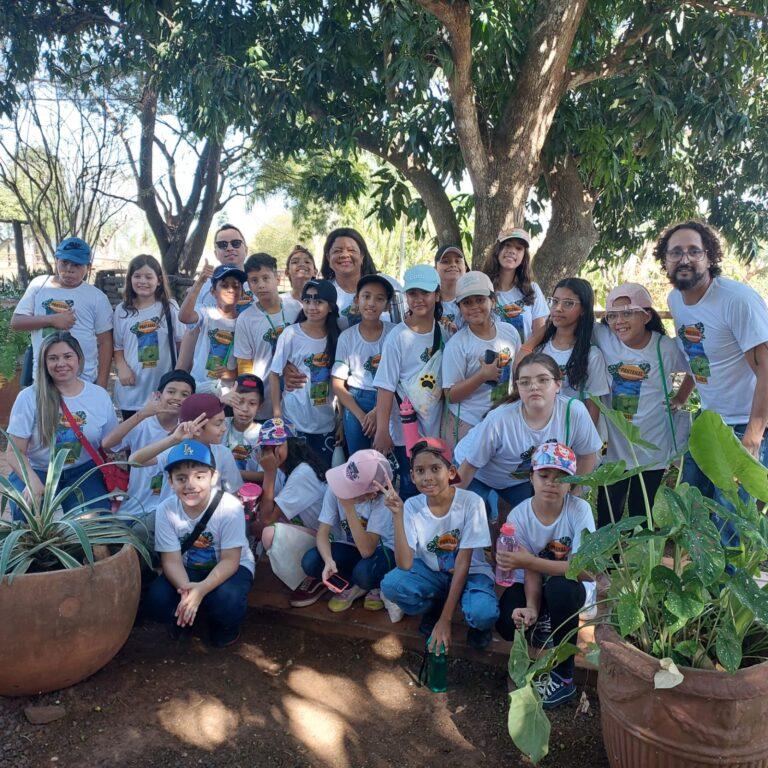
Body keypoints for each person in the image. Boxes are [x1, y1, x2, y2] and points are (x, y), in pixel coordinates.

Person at [656, 220, 768, 542]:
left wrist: (753, 438)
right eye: (676, 252)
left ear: (709, 257)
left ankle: (727, 578)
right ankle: (697, 573)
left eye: (694, 251)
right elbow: (698, 353)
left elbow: (766, 367)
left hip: (746, 424)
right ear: (665, 259)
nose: (685, 259)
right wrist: (681, 396)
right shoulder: (676, 300)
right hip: (710, 421)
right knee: (690, 509)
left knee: (728, 523)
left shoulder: (736, 300)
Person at [495, 442, 595, 709]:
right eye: (544, 475)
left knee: (561, 588)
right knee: (506, 622)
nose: (552, 483)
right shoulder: (519, 515)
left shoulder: (579, 510)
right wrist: (531, 607)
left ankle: (564, 676)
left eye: (561, 478)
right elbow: (529, 571)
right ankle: (543, 617)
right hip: (536, 583)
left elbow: (583, 569)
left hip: (570, 586)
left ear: (571, 484)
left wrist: (529, 560)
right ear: (531, 477)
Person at [380, 438, 499, 652]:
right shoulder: (412, 506)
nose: (428, 477)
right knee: (391, 585)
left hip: (471, 572)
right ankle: (434, 606)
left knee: (483, 613)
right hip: (433, 573)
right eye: (420, 471)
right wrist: (398, 515)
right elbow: (405, 564)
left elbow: (463, 564)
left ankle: (476, 625)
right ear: (412, 477)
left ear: (451, 472)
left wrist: (446, 621)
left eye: (435, 469)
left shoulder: (471, 502)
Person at [593, 283, 693, 527]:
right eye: (612, 315)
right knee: (608, 512)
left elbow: (694, 368)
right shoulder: (604, 337)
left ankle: (639, 550)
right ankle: (613, 552)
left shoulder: (664, 347)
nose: (619, 322)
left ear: (646, 316)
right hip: (614, 446)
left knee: (643, 510)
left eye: (628, 313)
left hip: (652, 446)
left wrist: (680, 398)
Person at [454, 353, 602, 512]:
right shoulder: (500, 419)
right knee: (468, 514)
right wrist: (450, 507)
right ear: (518, 387)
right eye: (525, 382)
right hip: (476, 473)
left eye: (543, 380)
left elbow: (587, 455)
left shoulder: (574, 411)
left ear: (558, 384)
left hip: (519, 480)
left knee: (532, 519)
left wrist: (573, 496)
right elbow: (469, 466)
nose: (534, 387)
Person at [145, 439, 255, 647]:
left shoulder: (230, 507)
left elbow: (230, 561)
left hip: (230, 567)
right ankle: (187, 616)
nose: (190, 485)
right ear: (170, 481)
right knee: (157, 599)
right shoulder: (166, 509)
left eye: (199, 476)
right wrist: (187, 593)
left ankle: (225, 626)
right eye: (181, 478)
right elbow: (171, 561)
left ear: (214, 477)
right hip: (187, 568)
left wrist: (201, 590)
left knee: (227, 600)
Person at [5, 332, 116, 515]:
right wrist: (32, 481)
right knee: (25, 512)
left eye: (67, 356)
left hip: (83, 472)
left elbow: (110, 444)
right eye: (53, 358)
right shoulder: (29, 397)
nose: (61, 363)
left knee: (95, 523)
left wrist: (142, 417)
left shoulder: (98, 396)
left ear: (79, 359)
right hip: (39, 469)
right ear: (44, 362)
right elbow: (13, 452)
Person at [373, 265, 445, 499]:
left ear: (437, 294)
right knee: (410, 486)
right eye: (412, 293)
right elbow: (385, 386)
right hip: (406, 431)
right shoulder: (397, 338)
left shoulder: (444, 333)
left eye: (425, 292)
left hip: (435, 428)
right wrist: (382, 431)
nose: (418, 299)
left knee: (435, 488)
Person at [102, 370, 196, 543]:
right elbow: (107, 444)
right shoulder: (144, 423)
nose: (177, 398)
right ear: (158, 395)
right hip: (133, 507)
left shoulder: (189, 431)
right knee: (106, 541)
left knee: (137, 538)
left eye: (185, 395)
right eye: (171, 391)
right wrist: (143, 413)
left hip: (165, 510)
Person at [301, 450, 397, 614]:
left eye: (352, 487)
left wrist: (349, 507)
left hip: (382, 552)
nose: (344, 488)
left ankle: (372, 584)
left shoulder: (383, 501)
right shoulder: (336, 487)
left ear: (372, 494)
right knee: (310, 561)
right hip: (352, 548)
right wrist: (328, 560)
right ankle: (356, 585)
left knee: (364, 573)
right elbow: (323, 533)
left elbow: (367, 551)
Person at [11, 237, 113, 387]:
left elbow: (106, 342)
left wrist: (102, 385)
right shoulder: (39, 285)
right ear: (56, 261)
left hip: (83, 380)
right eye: (64, 262)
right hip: (45, 381)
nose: (69, 269)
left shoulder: (97, 297)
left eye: (77, 264)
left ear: (88, 267)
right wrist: (52, 320)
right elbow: (16, 322)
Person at [442, 271, 522, 448]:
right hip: (468, 423)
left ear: (492, 301)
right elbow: (450, 395)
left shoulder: (510, 332)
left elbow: (517, 373)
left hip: (503, 418)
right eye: (467, 302)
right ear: (459, 307)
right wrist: (482, 376)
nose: (474, 307)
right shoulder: (457, 345)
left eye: (480, 300)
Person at [255, 419, 329, 607]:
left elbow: (267, 520)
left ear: (292, 443)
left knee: (269, 533)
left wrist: (269, 473)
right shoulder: (284, 468)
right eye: (266, 448)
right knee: (254, 525)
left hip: (329, 540)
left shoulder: (302, 473)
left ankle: (310, 578)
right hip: (314, 532)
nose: (272, 453)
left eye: (277, 446)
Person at [269, 279, 339, 468]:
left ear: (330, 307)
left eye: (319, 302)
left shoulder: (337, 337)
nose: (312, 307)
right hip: (293, 420)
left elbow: (340, 383)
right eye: (307, 301)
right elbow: (274, 374)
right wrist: (277, 414)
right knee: (293, 475)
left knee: (322, 476)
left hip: (325, 423)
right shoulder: (291, 334)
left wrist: (341, 420)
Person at [129, 393, 244, 503]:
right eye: (218, 424)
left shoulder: (223, 453)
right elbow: (134, 461)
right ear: (198, 427)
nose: (224, 428)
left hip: (208, 515)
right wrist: (173, 439)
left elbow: (233, 493)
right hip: (172, 515)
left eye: (224, 422)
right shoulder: (176, 451)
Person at [113, 254, 186, 419]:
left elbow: (182, 344)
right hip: (132, 393)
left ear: (159, 280)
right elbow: (118, 347)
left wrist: (179, 377)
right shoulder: (122, 311)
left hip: (163, 391)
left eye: (148, 277)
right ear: (130, 279)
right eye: (137, 276)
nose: (142, 281)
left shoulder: (169, 308)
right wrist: (122, 368)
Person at [332, 274, 395, 456]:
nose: (371, 303)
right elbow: (338, 384)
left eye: (379, 299)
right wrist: (361, 416)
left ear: (387, 305)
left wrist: (378, 411)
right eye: (366, 296)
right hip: (355, 402)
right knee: (359, 459)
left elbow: (399, 378)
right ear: (356, 300)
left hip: (388, 400)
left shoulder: (394, 334)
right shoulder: (347, 337)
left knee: (386, 458)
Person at [234, 253, 302, 420]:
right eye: (254, 280)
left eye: (266, 278)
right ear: (249, 285)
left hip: (297, 398)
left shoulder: (297, 308)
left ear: (277, 278)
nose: (261, 285)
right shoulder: (246, 319)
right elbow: (244, 365)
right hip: (264, 403)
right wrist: (251, 397)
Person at [177, 224, 253, 370]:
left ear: (246, 249)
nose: (229, 248)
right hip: (211, 370)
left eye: (236, 243)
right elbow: (192, 331)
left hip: (249, 368)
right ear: (216, 253)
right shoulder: (204, 289)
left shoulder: (257, 285)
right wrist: (180, 371)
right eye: (223, 245)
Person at [537, 278, 609, 426]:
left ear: (583, 309)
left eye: (568, 303)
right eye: (555, 301)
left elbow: (593, 407)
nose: (558, 308)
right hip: (540, 429)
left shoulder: (592, 355)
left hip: (574, 432)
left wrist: (584, 439)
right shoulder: (539, 348)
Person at [179, 264, 246, 396]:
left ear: (242, 293)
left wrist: (231, 374)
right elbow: (184, 317)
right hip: (199, 387)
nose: (231, 290)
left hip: (227, 392)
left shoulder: (244, 322)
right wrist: (199, 282)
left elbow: (246, 361)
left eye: (236, 286)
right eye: (224, 285)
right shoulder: (206, 313)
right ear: (213, 291)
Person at [482, 227, 548, 343]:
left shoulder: (532, 289)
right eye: (507, 245)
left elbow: (540, 333)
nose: (512, 251)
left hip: (526, 354)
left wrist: (524, 352)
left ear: (523, 257)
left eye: (519, 248)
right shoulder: (482, 288)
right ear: (497, 250)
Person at [319, 227, 380, 328]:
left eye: (351, 250)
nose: (344, 255)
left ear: (362, 256)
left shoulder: (386, 284)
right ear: (328, 258)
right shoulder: (322, 292)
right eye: (337, 251)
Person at [221, 374, 264, 483]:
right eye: (240, 401)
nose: (245, 409)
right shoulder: (221, 424)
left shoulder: (264, 434)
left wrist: (228, 472)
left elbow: (264, 475)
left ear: (260, 406)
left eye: (252, 403)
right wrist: (221, 401)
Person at [434, 245, 469, 336]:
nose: (453, 264)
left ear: (465, 268)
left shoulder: (474, 299)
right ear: (435, 269)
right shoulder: (429, 302)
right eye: (446, 261)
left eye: (457, 261)